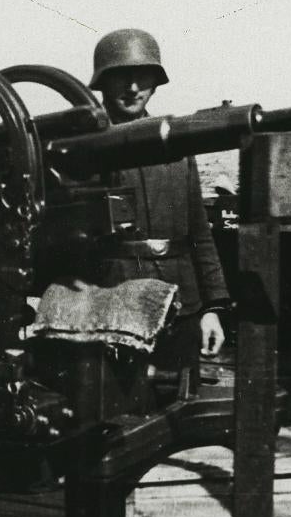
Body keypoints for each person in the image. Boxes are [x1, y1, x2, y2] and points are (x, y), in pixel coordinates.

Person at [88, 28, 232, 392]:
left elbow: (199, 231)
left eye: (143, 77)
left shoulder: (177, 145)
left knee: (179, 406)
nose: (133, 88)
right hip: (112, 308)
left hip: (180, 306)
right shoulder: (83, 148)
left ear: (156, 82)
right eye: (121, 77)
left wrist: (212, 308)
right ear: (102, 82)